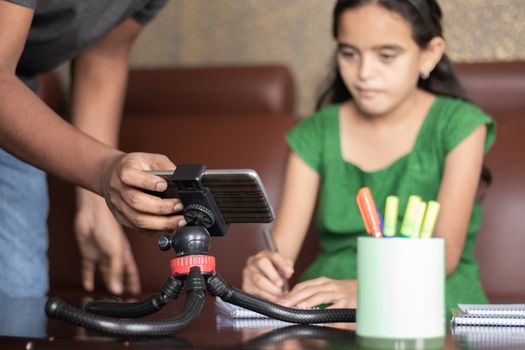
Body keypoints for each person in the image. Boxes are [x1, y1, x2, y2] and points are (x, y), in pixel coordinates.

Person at [242, 0, 495, 314]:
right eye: (349, 53)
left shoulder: (460, 124)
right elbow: (280, 252)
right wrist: (264, 270)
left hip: (427, 289)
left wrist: (368, 289)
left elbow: (444, 253)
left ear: (429, 54)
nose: (363, 73)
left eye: (386, 56)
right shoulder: (316, 131)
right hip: (332, 291)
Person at [0, 0, 185, 298]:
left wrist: (96, 205)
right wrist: (104, 170)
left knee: (19, 299)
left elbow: (104, 54)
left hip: (14, 107)